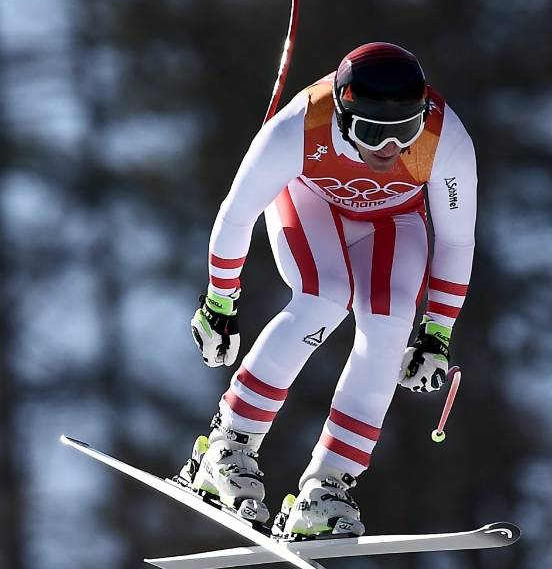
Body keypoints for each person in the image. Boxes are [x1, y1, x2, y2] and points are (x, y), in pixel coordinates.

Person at [181, 41, 477, 539]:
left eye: (405, 133)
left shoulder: (445, 138)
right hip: (311, 204)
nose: (389, 152)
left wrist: (437, 333)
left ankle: (327, 487)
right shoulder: (300, 126)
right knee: (324, 300)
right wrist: (219, 301)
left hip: (394, 220)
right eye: (371, 134)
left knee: (388, 327)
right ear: (343, 117)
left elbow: (456, 237)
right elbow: (237, 213)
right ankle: (227, 447)